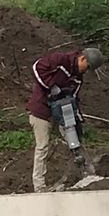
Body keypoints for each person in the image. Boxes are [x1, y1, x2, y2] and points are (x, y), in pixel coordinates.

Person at [26, 44, 102, 191]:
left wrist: (77, 118)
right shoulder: (60, 60)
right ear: (82, 58)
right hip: (41, 110)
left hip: (61, 112)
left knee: (75, 142)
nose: (86, 71)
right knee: (42, 146)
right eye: (87, 67)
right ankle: (39, 187)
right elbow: (37, 67)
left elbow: (74, 99)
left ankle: (89, 175)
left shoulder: (77, 79)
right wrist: (51, 86)